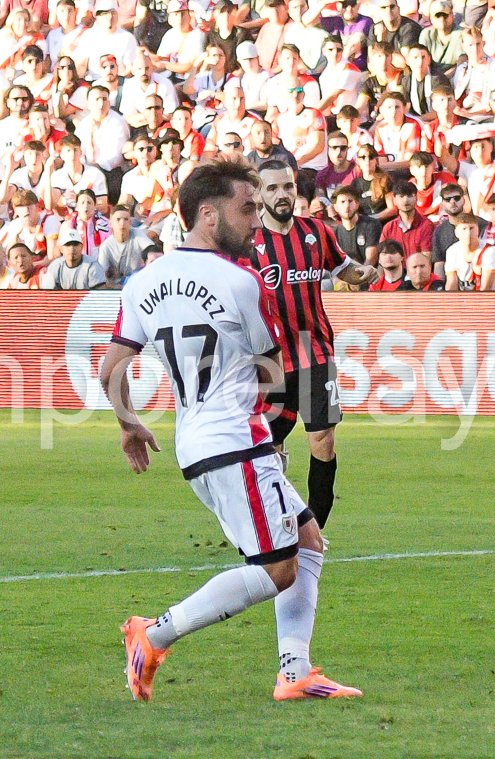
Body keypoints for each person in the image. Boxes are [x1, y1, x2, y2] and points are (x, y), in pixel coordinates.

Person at [101, 160, 361, 703]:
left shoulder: (141, 283)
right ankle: (153, 634)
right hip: (235, 442)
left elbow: (111, 369)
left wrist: (129, 425)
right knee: (278, 568)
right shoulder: (243, 281)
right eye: (247, 209)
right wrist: (270, 431)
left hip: (195, 442)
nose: (256, 221)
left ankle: (296, 671)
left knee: (308, 541)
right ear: (208, 212)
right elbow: (271, 371)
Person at [251, 160, 377, 529]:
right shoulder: (249, 241)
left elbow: (343, 268)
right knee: (267, 448)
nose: (282, 195)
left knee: (322, 439)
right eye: (272, 188)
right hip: (268, 357)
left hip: (314, 349)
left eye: (287, 187)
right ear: (259, 194)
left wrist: (363, 273)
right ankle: (278, 523)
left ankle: (315, 530)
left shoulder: (316, 231)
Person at [446, 212, 495, 290]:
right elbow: (451, 284)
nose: (468, 233)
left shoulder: (490, 251)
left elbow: (486, 288)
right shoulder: (452, 251)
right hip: (468, 298)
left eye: (471, 228)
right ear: (456, 233)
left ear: (478, 230)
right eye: (464, 229)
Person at [96, 203, 150, 286]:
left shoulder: (137, 234)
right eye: (118, 219)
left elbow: (151, 251)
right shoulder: (105, 246)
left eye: (126, 219)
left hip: (139, 281)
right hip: (117, 285)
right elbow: (102, 276)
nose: (122, 223)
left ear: (131, 223)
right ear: (110, 224)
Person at [381, 180, 434, 258]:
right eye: (401, 196)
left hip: (418, 269)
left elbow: (426, 259)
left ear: (416, 198)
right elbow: (383, 258)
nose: (406, 200)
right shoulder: (389, 228)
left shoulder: (426, 226)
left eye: (410, 196)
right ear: (394, 200)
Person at [331, 184, 381, 266]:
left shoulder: (371, 225)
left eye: (350, 201)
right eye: (342, 202)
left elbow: (371, 260)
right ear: (336, 207)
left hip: (370, 274)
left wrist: (360, 276)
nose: (347, 206)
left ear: (357, 204)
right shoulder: (335, 233)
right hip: (347, 275)